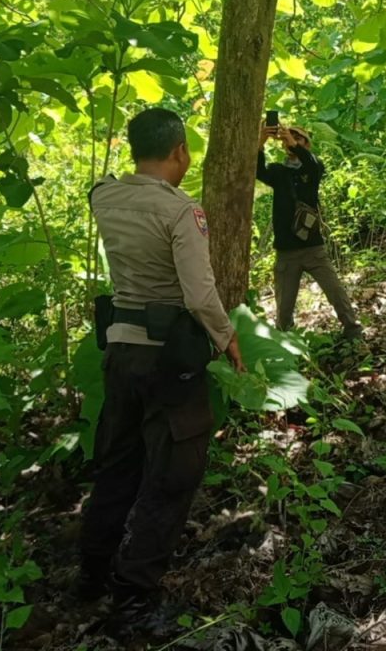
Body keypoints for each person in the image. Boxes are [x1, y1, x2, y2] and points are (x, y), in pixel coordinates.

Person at [78, 108, 244, 634]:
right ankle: (133, 602)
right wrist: (227, 336)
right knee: (172, 476)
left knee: (118, 466)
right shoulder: (180, 212)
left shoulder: (104, 196)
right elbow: (198, 293)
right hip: (168, 357)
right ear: (179, 152)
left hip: (120, 352)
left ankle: (91, 574)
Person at [256, 121, 362, 340]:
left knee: (335, 291)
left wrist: (295, 145)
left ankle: (352, 330)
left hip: (313, 247)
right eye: (289, 136)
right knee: (284, 306)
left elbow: (312, 166)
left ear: (306, 144)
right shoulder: (278, 171)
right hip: (286, 250)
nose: (292, 139)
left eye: (299, 137)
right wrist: (260, 141)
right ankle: (286, 342)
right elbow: (258, 171)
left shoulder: (312, 167)